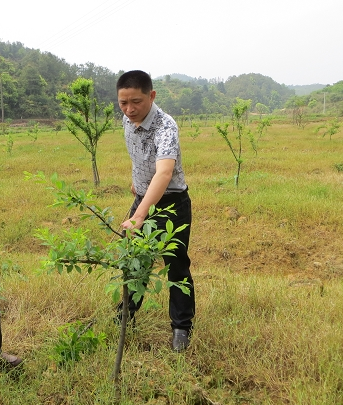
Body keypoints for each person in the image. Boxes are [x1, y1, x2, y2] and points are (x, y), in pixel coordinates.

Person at [116, 70, 195, 351]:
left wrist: (139, 215)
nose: (129, 109)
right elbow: (139, 158)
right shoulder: (127, 121)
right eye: (123, 103)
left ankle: (181, 328)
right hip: (142, 197)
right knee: (136, 261)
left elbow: (164, 173)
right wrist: (136, 184)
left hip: (172, 203)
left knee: (176, 265)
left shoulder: (166, 126)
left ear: (151, 96)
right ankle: (125, 316)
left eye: (135, 102)